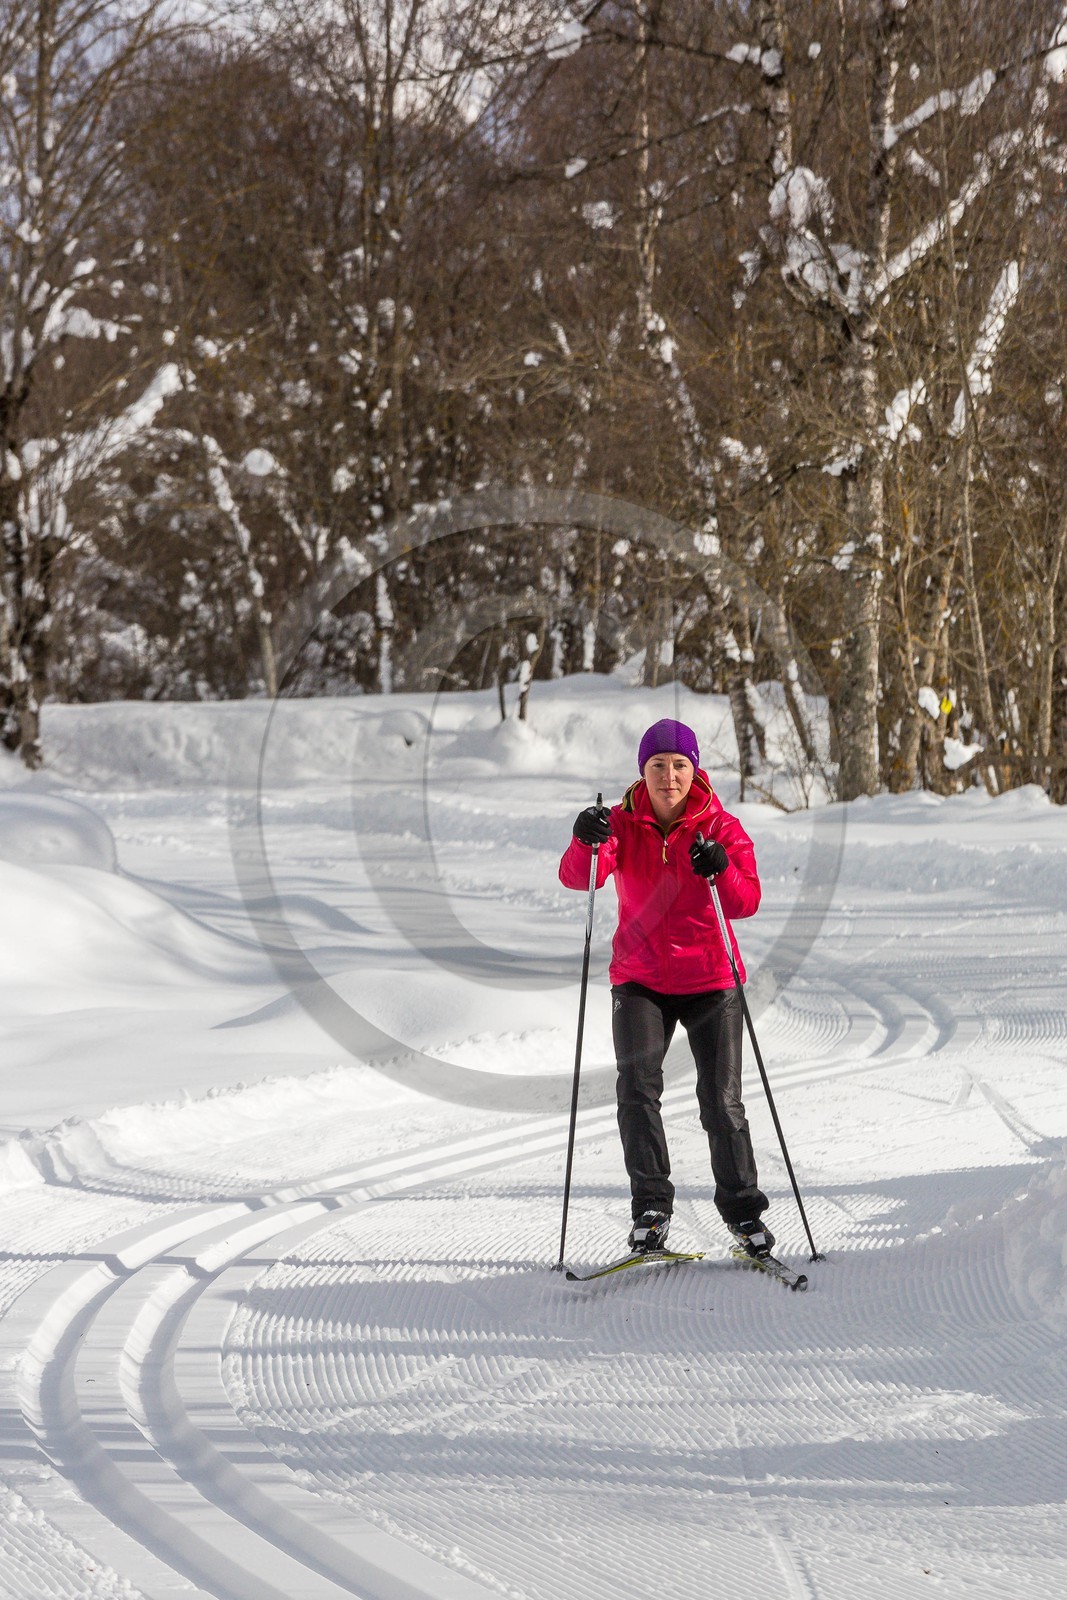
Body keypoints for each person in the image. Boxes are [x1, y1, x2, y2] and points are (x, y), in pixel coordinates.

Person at [557, 717, 773, 1260]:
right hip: (641, 980)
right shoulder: (622, 824)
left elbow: (745, 901)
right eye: (658, 766)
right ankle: (650, 1211)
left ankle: (745, 1215)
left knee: (721, 1103)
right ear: (643, 771)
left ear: (694, 771)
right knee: (636, 1093)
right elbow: (577, 877)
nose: (669, 776)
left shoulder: (720, 826)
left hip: (710, 980)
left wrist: (720, 869)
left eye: (679, 766)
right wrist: (585, 840)